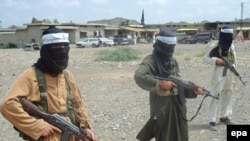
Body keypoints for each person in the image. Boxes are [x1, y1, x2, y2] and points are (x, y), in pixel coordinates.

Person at [0, 26, 97, 141]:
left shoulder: (67, 76)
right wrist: (37, 126)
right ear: (46, 50)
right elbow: (7, 104)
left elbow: (78, 104)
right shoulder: (31, 75)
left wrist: (85, 127)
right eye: (56, 46)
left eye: (64, 46)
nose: (61, 50)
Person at [134, 29, 204, 141]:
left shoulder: (173, 61)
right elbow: (139, 76)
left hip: (178, 106)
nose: (169, 51)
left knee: (181, 134)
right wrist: (159, 84)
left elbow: (179, 83)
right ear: (160, 45)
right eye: (168, 47)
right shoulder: (151, 60)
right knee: (164, 134)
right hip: (163, 107)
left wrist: (193, 90)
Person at [203, 26, 238, 131]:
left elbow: (234, 60)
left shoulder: (232, 46)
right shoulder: (216, 46)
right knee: (215, 96)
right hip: (219, 75)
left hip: (230, 75)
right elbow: (205, 59)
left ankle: (224, 117)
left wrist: (236, 73)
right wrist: (215, 60)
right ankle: (212, 120)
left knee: (228, 95)